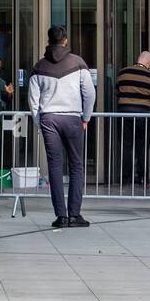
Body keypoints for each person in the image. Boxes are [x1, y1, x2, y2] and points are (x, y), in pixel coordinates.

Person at [28, 25, 95, 228]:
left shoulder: (39, 66)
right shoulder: (78, 63)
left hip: (49, 118)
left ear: (48, 40)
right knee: (76, 165)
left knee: (55, 167)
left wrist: (39, 121)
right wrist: (86, 117)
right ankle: (74, 215)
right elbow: (89, 93)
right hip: (73, 118)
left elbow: (33, 100)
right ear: (65, 40)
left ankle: (61, 216)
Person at [115, 51, 150, 187]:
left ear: (138, 59)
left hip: (124, 114)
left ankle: (126, 178)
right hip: (143, 115)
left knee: (125, 146)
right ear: (148, 63)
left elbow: (117, 92)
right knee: (142, 146)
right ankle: (142, 177)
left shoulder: (123, 73)